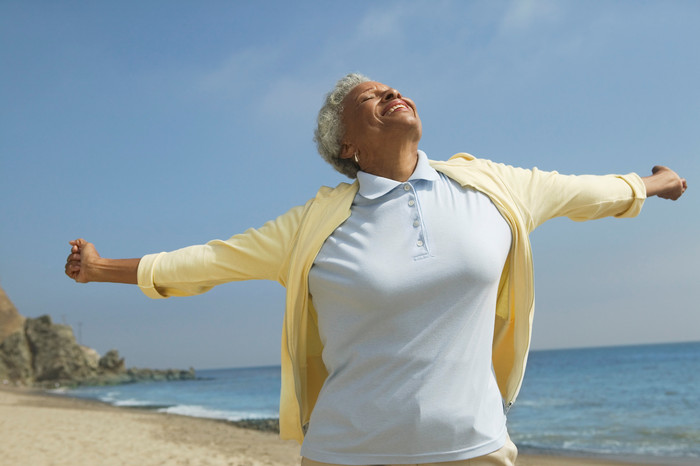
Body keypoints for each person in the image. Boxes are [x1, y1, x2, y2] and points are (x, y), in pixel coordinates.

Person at [65, 73, 687, 466]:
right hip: (347, 454)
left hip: (473, 450)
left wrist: (655, 183)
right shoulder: (313, 225)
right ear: (346, 147)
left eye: (395, 89)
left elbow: (587, 191)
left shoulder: (492, 187)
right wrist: (99, 269)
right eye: (372, 98)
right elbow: (207, 261)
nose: (393, 94)